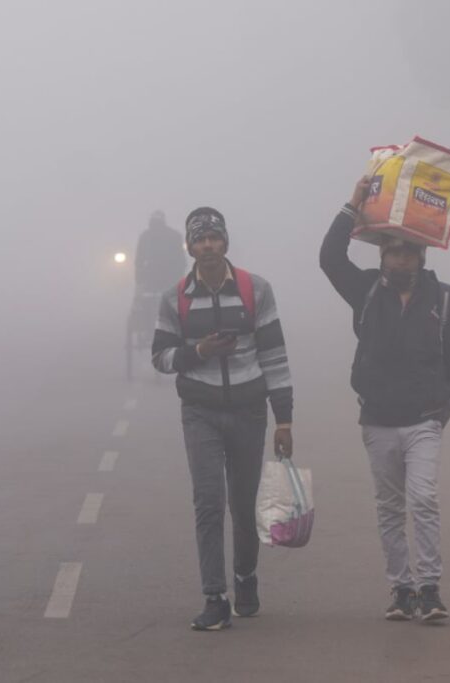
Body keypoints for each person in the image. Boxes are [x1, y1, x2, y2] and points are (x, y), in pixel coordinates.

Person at [320, 177, 450, 622]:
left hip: (423, 422)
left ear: (421, 256)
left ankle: (430, 588)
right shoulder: (366, 290)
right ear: (383, 256)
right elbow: (328, 258)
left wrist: (443, 410)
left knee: (423, 498)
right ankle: (401, 589)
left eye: (408, 252)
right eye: (394, 251)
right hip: (377, 419)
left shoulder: (446, 300)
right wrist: (351, 204)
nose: (401, 258)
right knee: (390, 507)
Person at [152, 207, 294, 631]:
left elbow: (275, 356)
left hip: (249, 412)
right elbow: (160, 357)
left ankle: (246, 579)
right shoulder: (174, 298)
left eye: (214, 238)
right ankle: (214, 597)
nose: (208, 246)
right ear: (190, 248)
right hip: (200, 413)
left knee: (243, 504)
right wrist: (198, 353)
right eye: (200, 240)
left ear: (225, 243)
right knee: (208, 503)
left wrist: (283, 420)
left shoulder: (256, 290)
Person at [135, 210, 187, 294]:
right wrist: (139, 278)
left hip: (168, 275)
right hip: (152, 276)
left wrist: (179, 275)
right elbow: (139, 259)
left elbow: (180, 258)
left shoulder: (174, 236)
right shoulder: (145, 236)